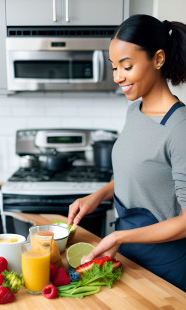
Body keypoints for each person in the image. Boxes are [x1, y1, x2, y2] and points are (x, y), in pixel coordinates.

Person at [68, 14, 186, 291]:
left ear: (158, 59)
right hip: (127, 255)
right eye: (113, 67)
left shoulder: (179, 127)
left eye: (127, 66)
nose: (118, 77)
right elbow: (136, 174)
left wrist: (118, 237)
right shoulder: (135, 110)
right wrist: (96, 196)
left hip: (165, 267)